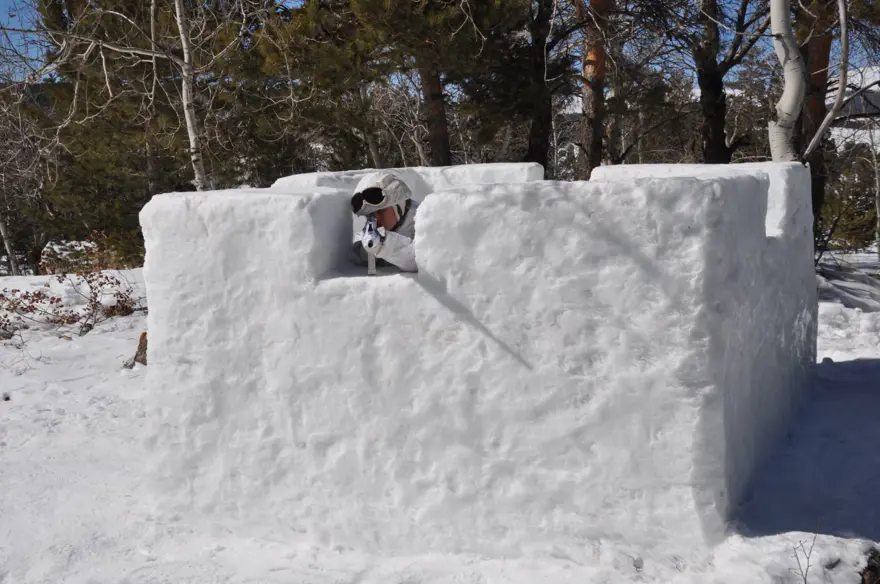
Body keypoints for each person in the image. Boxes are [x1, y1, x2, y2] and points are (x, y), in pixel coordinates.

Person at [350, 170, 419, 272]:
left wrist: (384, 245)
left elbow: (422, 261)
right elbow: (354, 255)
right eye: (370, 215)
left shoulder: (424, 221)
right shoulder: (374, 231)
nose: (376, 219)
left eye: (381, 211)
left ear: (399, 206)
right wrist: (367, 251)